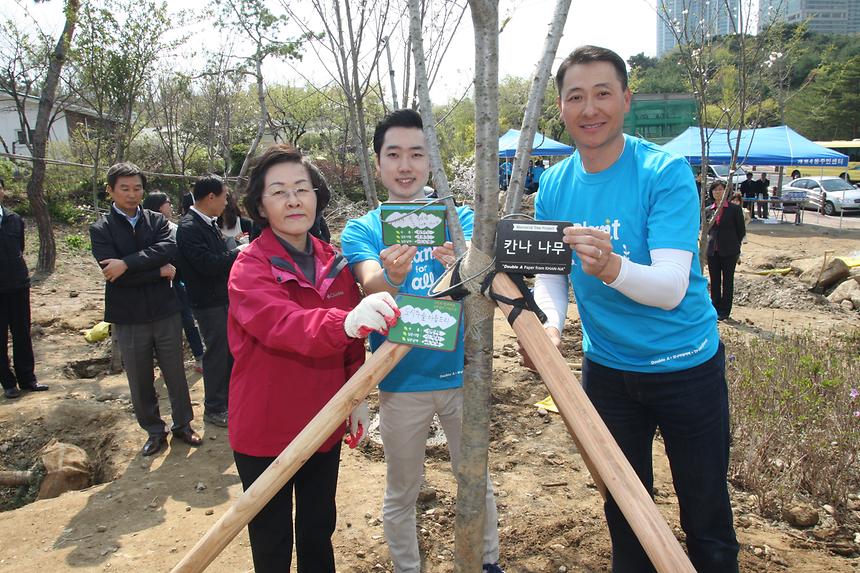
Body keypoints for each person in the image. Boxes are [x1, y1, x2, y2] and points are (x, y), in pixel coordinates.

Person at [523, 46, 739, 572]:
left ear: (626, 99)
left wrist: (611, 266)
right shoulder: (552, 184)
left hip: (685, 366)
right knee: (624, 512)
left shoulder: (663, 173)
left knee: (705, 515)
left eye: (602, 94)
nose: (589, 108)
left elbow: (669, 288)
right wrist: (552, 327)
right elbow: (553, 275)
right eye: (576, 96)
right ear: (561, 106)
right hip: (609, 373)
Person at [341, 109, 503, 573]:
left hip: (462, 376)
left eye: (417, 153)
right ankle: (408, 568)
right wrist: (390, 277)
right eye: (394, 154)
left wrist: (463, 266)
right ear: (378, 163)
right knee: (402, 489)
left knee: (476, 479)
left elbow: (484, 276)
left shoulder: (462, 219)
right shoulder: (364, 228)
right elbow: (369, 280)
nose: (406, 165)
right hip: (399, 381)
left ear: (432, 160)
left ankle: (486, 561)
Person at [228, 144, 399, 572]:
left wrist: (356, 395)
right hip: (265, 428)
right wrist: (344, 322)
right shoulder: (249, 267)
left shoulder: (333, 261)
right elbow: (282, 324)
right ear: (260, 206)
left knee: (317, 528)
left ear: (316, 197)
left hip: (322, 423)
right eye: (279, 191)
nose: (293, 200)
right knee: (271, 540)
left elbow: (348, 345)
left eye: (302, 189)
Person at [90, 163, 202, 456]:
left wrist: (126, 263)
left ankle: (183, 425)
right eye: (124, 188)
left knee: (175, 372)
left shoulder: (156, 220)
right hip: (128, 316)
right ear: (110, 191)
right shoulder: (101, 229)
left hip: (165, 310)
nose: (131, 194)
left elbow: (167, 250)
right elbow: (113, 274)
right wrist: (156, 271)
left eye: (137, 188)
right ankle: (154, 430)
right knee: (139, 379)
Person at [176, 175, 241, 428]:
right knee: (216, 353)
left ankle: (227, 401)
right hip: (208, 301)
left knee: (228, 351)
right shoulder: (190, 227)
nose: (226, 202)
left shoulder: (207, 223)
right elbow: (208, 264)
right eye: (225, 196)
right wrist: (237, 254)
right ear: (211, 197)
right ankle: (214, 407)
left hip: (220, 297)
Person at [142, 192, 205, 373]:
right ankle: (178, 360)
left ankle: (196, 357)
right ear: (160, 206)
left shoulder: (170, 227)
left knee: (184, 320)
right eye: (168, 203)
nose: (170, 206)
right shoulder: (157, 228)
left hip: (173, 281)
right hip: (162, 282)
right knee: (176, 323)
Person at [0, 177, 48, 399]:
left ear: (3, 191)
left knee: (22, 333)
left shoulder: (13, 219)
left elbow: (19, 247)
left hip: (18, 285)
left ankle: (27, 379)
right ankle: (7, 382)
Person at [706, 182, 745, 321]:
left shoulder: (734, 209)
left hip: (729, 250)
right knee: (714, 280)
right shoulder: (708, 210)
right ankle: (714, 307)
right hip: (712, 251)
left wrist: (735, 245)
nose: (717, 192)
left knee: (727, 281)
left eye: (720, 189)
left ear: (725, 192)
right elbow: (706, 230)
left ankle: (725, 310)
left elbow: (741, 231)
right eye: (715, 190)